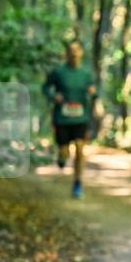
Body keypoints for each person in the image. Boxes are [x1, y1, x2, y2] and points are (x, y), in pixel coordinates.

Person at [42, 40, 96, 199]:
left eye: (76, 49)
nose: (74, 53)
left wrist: (92, 92)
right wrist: (53, 96)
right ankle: (62, 156)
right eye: (71, 50)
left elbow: (94, 90)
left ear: (81, 53)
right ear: (66, 54)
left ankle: (78, 183)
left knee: (80, 149)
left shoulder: (86, 74)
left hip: (80, 118)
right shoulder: (58, 72)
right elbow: (45, 87)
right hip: (62, 118)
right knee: (65, 151)